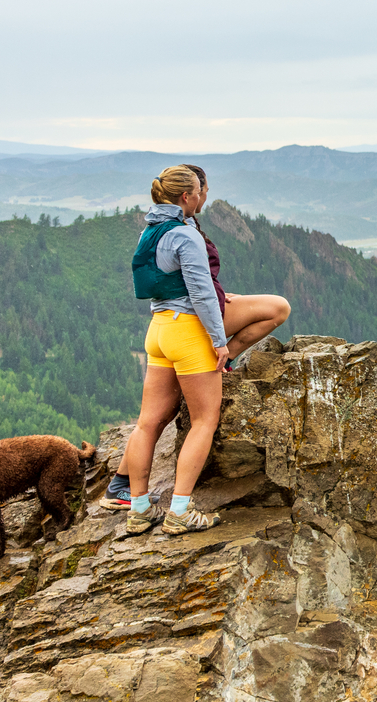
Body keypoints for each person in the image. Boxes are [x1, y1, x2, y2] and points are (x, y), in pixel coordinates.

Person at [109, 164, 290, 535]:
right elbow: (202, 293)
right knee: (205, 421)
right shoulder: (184, 235)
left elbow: (160, 285)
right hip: (189, 332)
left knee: (147, 423)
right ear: (185, 197)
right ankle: (179, 511)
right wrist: (220, 343)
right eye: (196, 193)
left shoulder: (150, 231)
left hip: (159, 330)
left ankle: (140, 509)